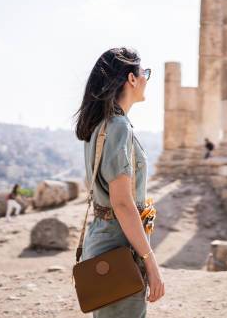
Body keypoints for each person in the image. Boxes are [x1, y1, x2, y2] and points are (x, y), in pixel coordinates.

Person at [74, 47, 165, 317]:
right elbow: (123, 203)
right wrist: (151, 262)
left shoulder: (99, 125)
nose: (147, 79)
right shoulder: (119, 127)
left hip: (102, 238)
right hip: (118, 246)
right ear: (132, 79)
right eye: (145, 73)